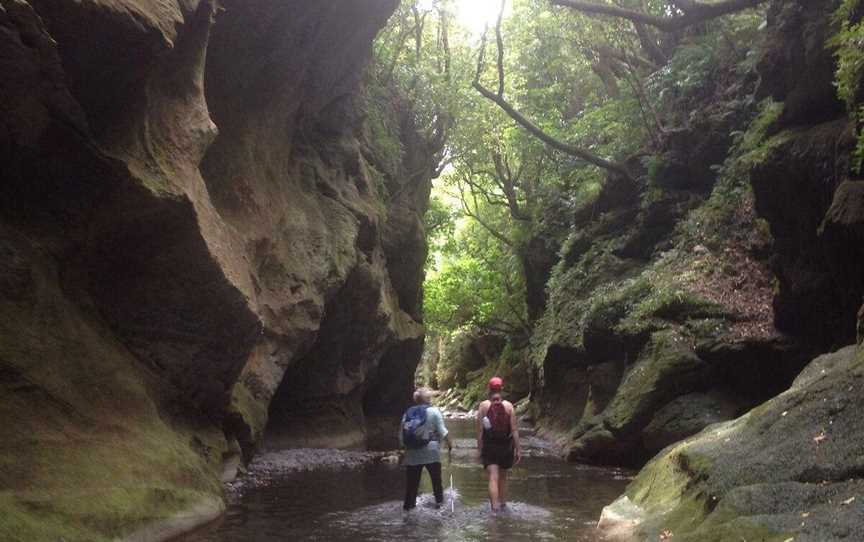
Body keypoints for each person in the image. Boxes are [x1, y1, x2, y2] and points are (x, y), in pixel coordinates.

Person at [400, 387, 453, 511]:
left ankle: (408, 511)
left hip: (412, 453)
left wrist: (404, 449)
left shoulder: (408, 412)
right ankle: (440, 507)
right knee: (436, 483)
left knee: (411, 487)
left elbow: (401, 435)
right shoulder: (434, 412)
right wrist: (450, 446)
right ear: (428, 399)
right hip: (432, 453)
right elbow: (443, 432)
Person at [476, 376, 521, 512]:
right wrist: (518, 449)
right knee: (503, 477)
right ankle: (503, 504)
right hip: (506, 447)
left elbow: (479, 431)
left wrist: (479, 450)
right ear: (501, 389)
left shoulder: (483, 406)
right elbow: (514, 430)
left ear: (489, 389)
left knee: (493, 477)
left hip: (490, 446)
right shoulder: (508, 406)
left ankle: (494, 509)